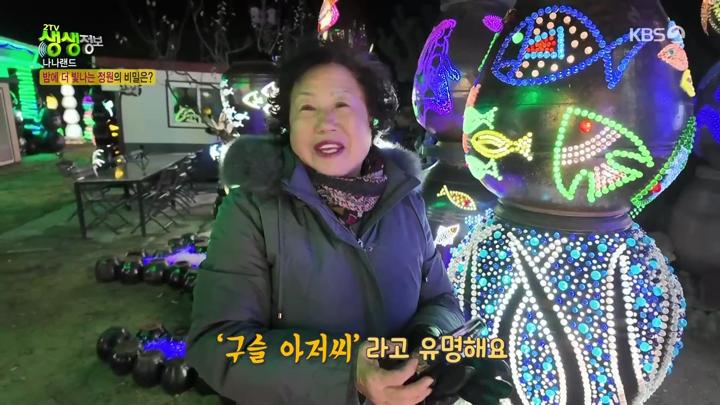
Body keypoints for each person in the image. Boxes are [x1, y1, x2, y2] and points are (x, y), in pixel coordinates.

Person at [186, 40, 512, 405]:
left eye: (342, 105)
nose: (325, 123)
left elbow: (440, 299)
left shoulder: (406, 202)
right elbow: (217, 343)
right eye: (306, 107)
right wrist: (348, 372)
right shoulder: (252, 212)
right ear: (288, 125)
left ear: (372, 118)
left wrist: (430, 338)